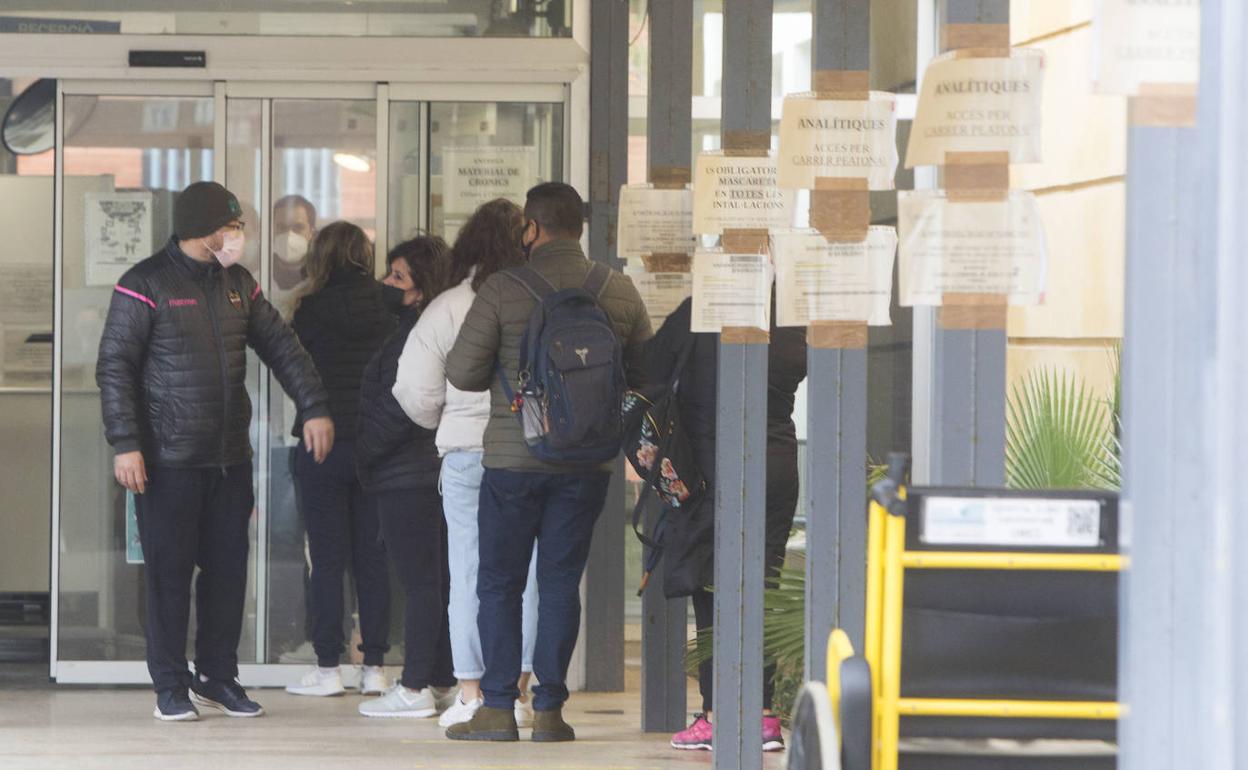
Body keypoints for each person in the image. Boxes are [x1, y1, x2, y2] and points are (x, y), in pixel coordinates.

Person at [97, 180, 333, 722]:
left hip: (228, 459)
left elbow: (282, 348)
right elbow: (115, 368)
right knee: (169, 575)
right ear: (205, 230)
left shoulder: (238, 285)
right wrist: (126, 443)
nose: (239, 236)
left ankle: (218, 677)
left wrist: (313, 405)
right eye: (233, 227)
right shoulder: (144, 284)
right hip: (166, 461)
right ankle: (170, 685)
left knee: (228, 572)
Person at [442, 183, 652, 742]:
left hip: (514, 462)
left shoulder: (503, 289)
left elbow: (462, 372)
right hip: (587, 465)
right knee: (560, 583)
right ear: (580, 227)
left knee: (500, 584)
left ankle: (496, 709)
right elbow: (646, 378)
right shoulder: (619, 289)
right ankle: (551, 712)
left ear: (530, 229)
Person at [392, 200, 541, 730]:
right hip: (531, 450)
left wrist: (445, 419)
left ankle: (472, 691)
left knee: (470, 569)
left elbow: (413, 386)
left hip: (467, 453)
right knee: (529, 574)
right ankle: (519, 693)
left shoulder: (450, 305)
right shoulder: (538, 297)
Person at [645, 296, 807, 753]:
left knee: (710, 585)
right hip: (776, 461)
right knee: (765, 586)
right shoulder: (790, 316)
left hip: (709, 464)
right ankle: (763, 715)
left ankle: (717, 713)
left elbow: (651, 367)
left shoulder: (704, 308)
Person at [284, 222, 396, 698]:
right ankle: (374, 667)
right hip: (376, 447)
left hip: (322, 442)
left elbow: (294, 368)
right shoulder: (389, 305)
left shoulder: (308, 309)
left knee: (326, 560)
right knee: (373, 559)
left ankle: (328, 667)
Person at [354, 236, 458, 718]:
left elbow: (403, 407)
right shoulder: (417, 328)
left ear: (422, 288)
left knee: (420, 583)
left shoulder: (416, 334)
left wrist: (365, 452)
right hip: (424, 472)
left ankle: (415, 685)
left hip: (407, 473)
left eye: (398, 277)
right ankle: (438, 677)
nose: (386, 285)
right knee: (436, 581)